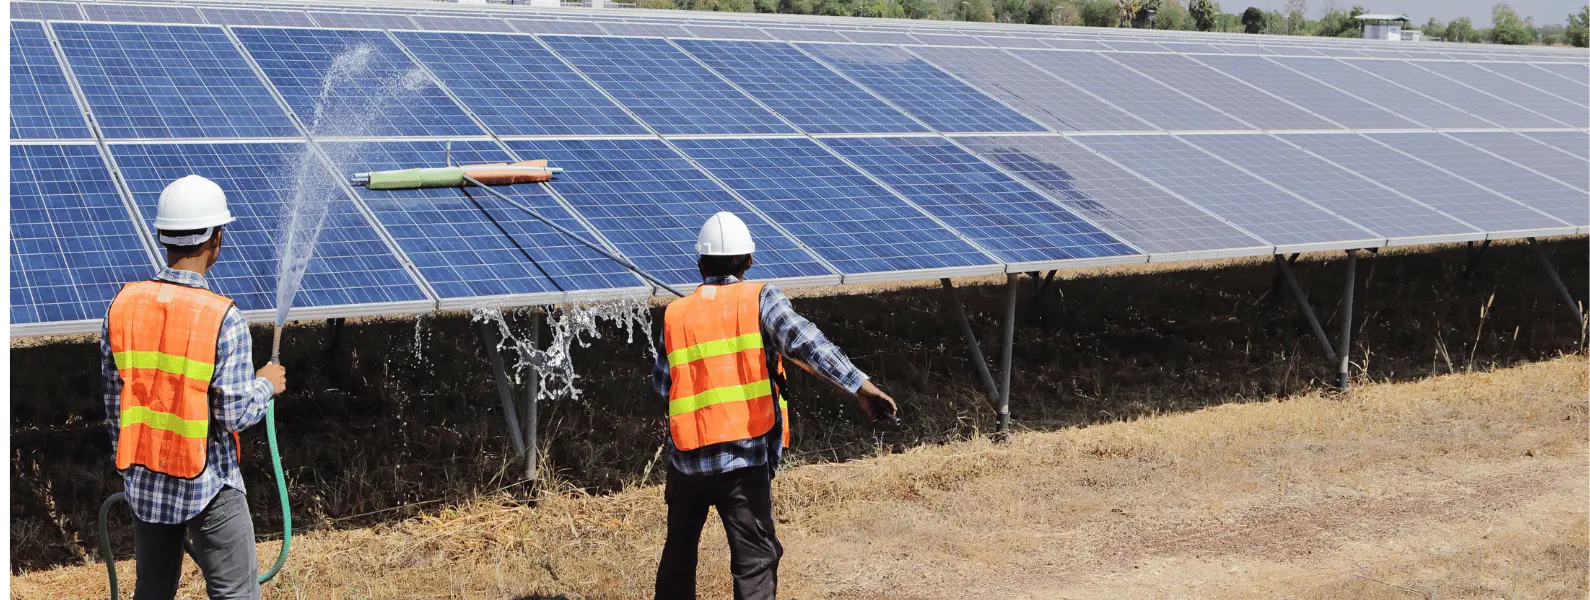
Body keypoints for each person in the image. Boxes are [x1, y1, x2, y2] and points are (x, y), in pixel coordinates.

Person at [652, 212, 897, 600]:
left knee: (678, 561)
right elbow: (808, 345)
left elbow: (664, 385)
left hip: (686, 464)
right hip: (743, 460)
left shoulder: (677, 313)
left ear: (699, 261)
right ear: (748, 261)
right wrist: (862, 388)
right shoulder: (760, 298)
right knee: (754, 565)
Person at [101, 175, 286, 600]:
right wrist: (266, 385)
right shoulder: (222, 318)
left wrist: (134, 468)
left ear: (164, 236)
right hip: (208, 485)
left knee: (152, 588)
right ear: (216, 239)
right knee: (235, 591)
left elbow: (115, 403)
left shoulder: (122, 305)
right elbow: (233, 413)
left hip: (144, 477)